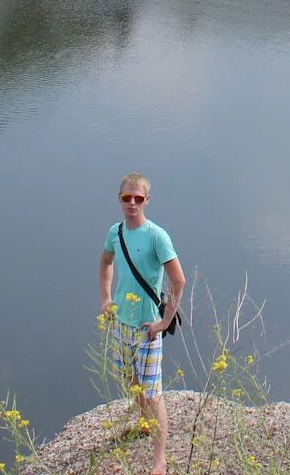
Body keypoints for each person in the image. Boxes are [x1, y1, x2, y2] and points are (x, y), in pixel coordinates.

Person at [99, 172, 185, 475]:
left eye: (138, 198)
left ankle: (159, 459)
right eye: (126, 198)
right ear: (119, 199)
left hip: (147, 328)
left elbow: (178, 280)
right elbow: (106, 263)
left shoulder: (157, 236)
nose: (132, 203)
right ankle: (142, 424)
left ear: (147, 200)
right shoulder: (115, 232)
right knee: (130, 382)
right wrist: (106, 298)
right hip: (121, 321)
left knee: (152, 391)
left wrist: (164, 322)